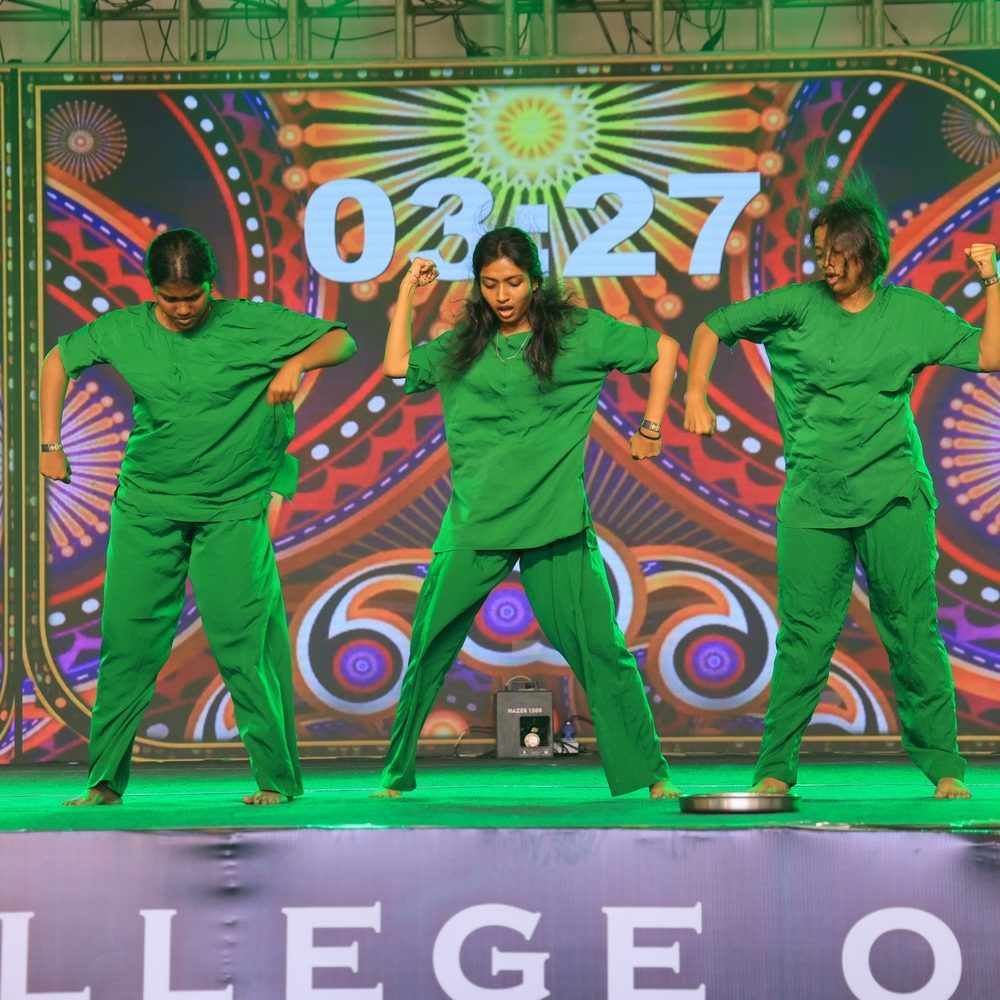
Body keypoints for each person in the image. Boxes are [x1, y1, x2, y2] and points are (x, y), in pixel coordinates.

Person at [683, 180, 999, 799]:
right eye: (820, 253)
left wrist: (992, 279)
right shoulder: (797, 307)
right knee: (803, 637)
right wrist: (695, 394)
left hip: (893, 495)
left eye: (838, 253)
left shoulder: (909, 314)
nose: (827, 265)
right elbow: (712, 325)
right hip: (814, 501)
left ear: (868, 252)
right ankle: (776, 768)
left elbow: (990, 355)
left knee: (911, 629)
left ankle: (944, 766)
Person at [40, 228, 357, 806]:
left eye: (193, 296)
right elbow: (58, 360)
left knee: (244, 642)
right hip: (148, 506)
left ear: (212, 285)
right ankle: (104, 781)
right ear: (152, 289)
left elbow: (342, 341)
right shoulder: (126, 330)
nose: (183, 308)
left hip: (229, 508)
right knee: (127, 642)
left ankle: (275, 780)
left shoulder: (250, 322)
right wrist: (48, 444)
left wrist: (297, 363)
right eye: (171, 298)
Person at [372, 226, 682, 799]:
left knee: (600, 649)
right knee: (428, 645)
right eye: (490, 284)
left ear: (536, 281)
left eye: (513, 282)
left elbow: (664, 349)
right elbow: (396, 365)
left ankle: (650, 773)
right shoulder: (466, 343)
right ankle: (395, 774)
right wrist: (407, 293)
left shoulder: (577, 334)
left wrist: (651, 427)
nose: (502, 295)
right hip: (476, 521)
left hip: (553, 520)